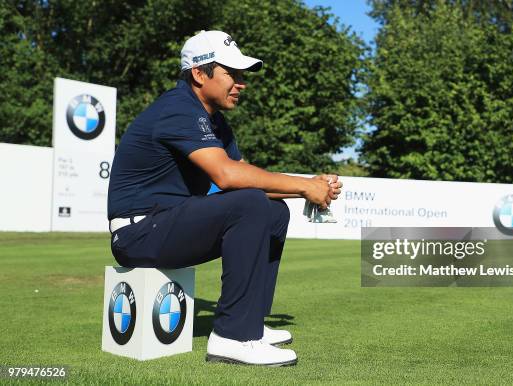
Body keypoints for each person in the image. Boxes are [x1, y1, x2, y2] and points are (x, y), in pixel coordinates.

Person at [107, 30, 342, 366]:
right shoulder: (177, 108)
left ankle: (251, 323)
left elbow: (244, 179)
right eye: (231, 73)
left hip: (168, 222)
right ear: (199, 74)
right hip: (136, 233)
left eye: (241, 75)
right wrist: (304, 186)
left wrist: (308, 185)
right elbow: (227, 176)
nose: (241, 83)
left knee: (274, 211)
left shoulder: (215, 122)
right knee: (252, 205)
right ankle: (232, 336)